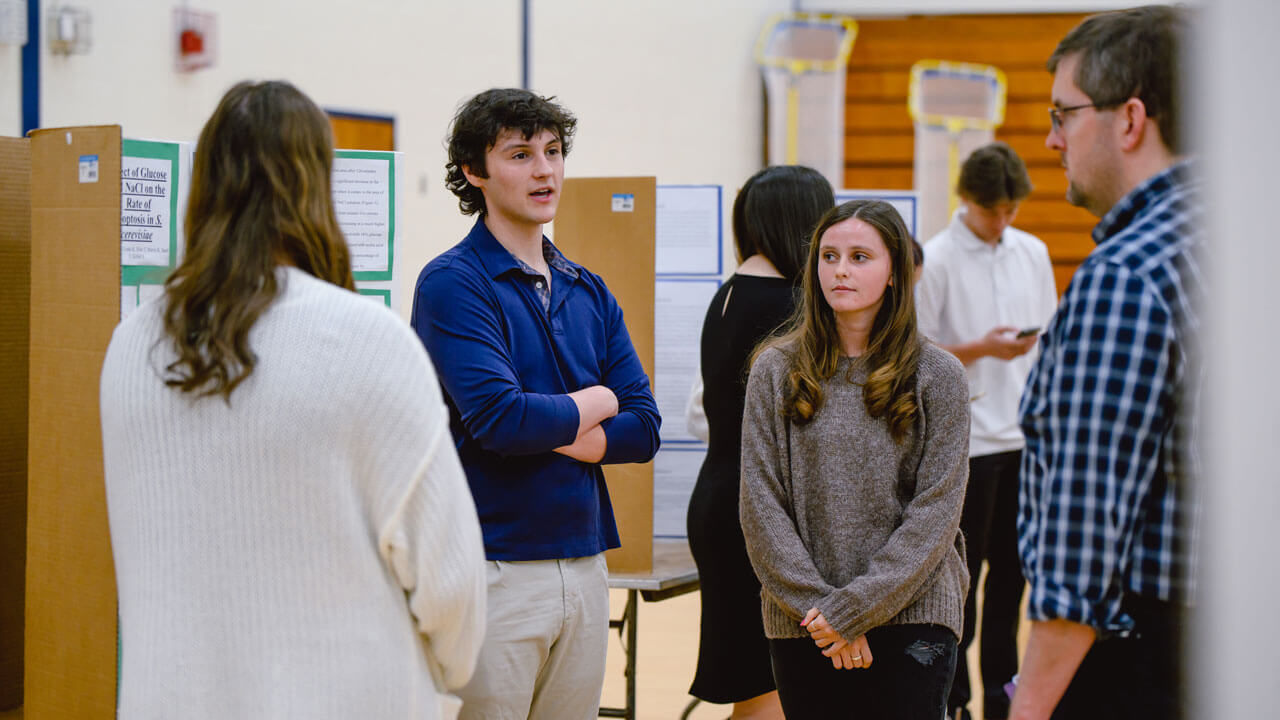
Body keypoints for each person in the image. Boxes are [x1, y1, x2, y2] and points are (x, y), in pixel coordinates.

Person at [99, 80, 486, 719]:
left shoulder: (131, 347)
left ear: (203, 186)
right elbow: (451, 585)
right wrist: (439, 677)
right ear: (318, 186)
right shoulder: (367, 340)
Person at [412, 88, 661, 720]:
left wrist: (558, 419)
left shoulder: (589, 288)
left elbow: (645, 428)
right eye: (521, 155)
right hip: (494, 568)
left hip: (584, 563)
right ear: (475, 171)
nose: (545, 170)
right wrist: (599, 399)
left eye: (553, 152)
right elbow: (501, 420)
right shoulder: (452, 283)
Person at [1010, 7, 1202, 720]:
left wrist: (1028, 706)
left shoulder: (1128, 274)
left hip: (1133, 658)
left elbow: (1082, 533)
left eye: (1064, 113)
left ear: (1130, 120)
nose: (1052, 138)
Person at [740, 199, 972, 719]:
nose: (840, 270)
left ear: (894, 272)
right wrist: (824, 613)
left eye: (860, 257)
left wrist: (853, 609)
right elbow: (761, 506)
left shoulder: (939, 375)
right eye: (828, 256)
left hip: (915, 617)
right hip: (805, 620)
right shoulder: (774, 370)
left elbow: (937, 512)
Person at [915, 142, 1058, 720]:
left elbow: (1050, 339)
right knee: (962, 583)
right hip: (969, 446)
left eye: (1010, 210)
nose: (1002, 220)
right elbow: (917, 353)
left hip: (1027, 439)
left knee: (1014, 579)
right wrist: (984, 349)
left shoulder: (1033, 251)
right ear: (966, 200)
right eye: (991, 209)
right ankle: (954, 699)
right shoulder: (938, 256)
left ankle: (1004, 693)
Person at [686, 165, 834, 719]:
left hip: (723, 498)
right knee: (774, 686)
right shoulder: (788, 305)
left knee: (758, 685)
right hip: (762, 514)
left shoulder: (730, 294)